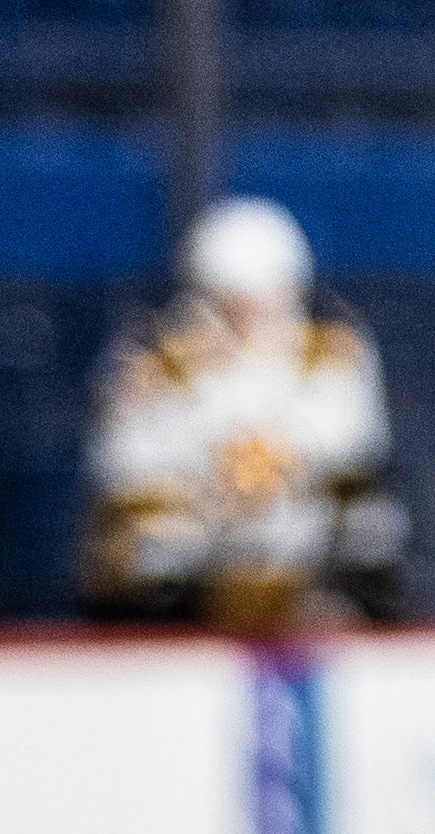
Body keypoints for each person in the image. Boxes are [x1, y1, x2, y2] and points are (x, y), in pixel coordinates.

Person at [76, 196, 409, 631]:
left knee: (374, 531)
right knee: (152, 551)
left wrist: (282, 471)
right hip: (203, 539)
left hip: (302, 536)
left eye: (264, 303)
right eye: (233, 307)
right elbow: (126, 469)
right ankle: (162, 645)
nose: (250, 324)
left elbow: (356, 453)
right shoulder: (155, 366)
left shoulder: (332, 357)